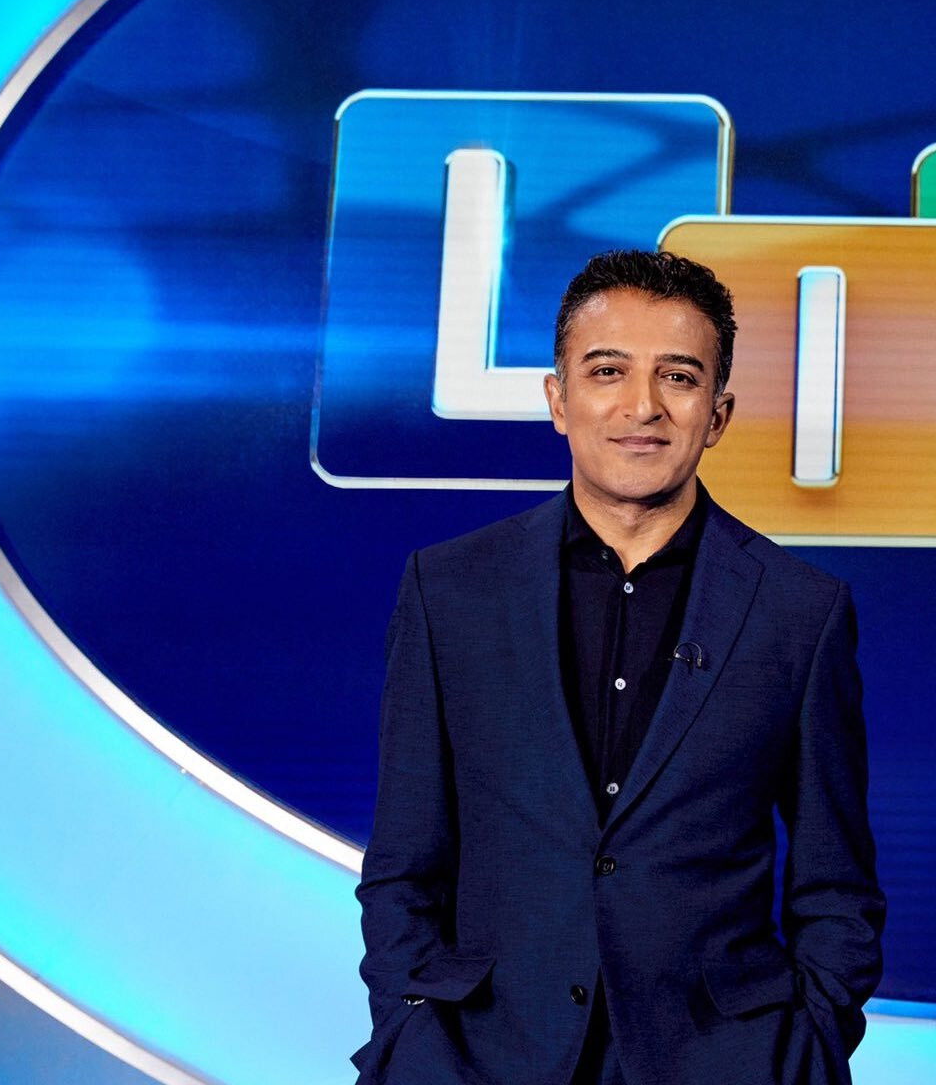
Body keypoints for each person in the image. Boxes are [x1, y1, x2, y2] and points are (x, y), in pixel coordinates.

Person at [352, 250, 884, 1085]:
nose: (643, 407)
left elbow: (836, 886)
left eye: (679, 377)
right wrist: (410, 1033)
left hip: (724, 1064)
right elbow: (402, 863)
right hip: (478, 1059)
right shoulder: (449, 590)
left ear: (718, 413)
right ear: (558, 399)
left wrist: (805, 1046)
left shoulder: (799, 611)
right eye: (608, 372)